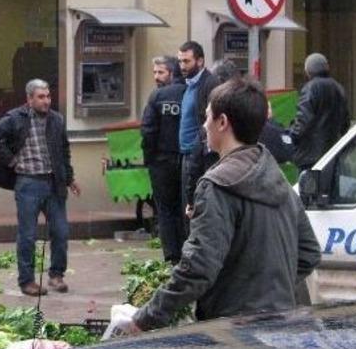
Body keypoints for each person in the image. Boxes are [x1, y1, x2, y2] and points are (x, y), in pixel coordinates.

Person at [118, 78, 321, 333]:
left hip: (233, 332)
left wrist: (146, 317)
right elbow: (309, 253)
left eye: (207, 118)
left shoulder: (217, 185)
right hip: (282, 325)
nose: (204, 125)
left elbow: (198, 267)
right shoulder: (276, 177)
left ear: (222, 122)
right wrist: (269, 290)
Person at [0, 79, 81, 296]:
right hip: (28, 183)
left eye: (48, 96)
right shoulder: (16, 118)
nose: (46, 101)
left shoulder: (57, 119)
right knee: (28, 235)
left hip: (53, 182)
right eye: (41, 97)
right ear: (29, 99)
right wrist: (10, 161)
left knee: (61, 231)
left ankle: (56, 276)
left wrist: (70, 177)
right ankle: (27, 281)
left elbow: (64, 150)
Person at [141, 56, 186, 264]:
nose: (156, 77)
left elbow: (148, 131)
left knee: (166, 210)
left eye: (160, 72)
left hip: (162, 162)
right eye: (154, 72)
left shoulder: (157, 97)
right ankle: (188, 253)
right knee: (185, 207)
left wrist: (149, 159)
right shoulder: (190, 93)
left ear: (172, 72)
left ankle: (172, 257)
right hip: (186, 161)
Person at [176, 41, 219, 237]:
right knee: (186, 206)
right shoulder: (188, 84)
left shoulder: (209, 84)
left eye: (187, 61)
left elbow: (209, 121)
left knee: (195, 208)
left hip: (200, 155)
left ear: (200, 61)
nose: (182, 66)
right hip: (186, 153)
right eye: (180, 61)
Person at [289, 53, 350, 171]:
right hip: (332, 154)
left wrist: (293, 136)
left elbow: (303, 121)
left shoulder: (310, 88)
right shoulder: (339, 88)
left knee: (308, 188)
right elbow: (345, 123)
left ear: (308, 71)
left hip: (309, 156)